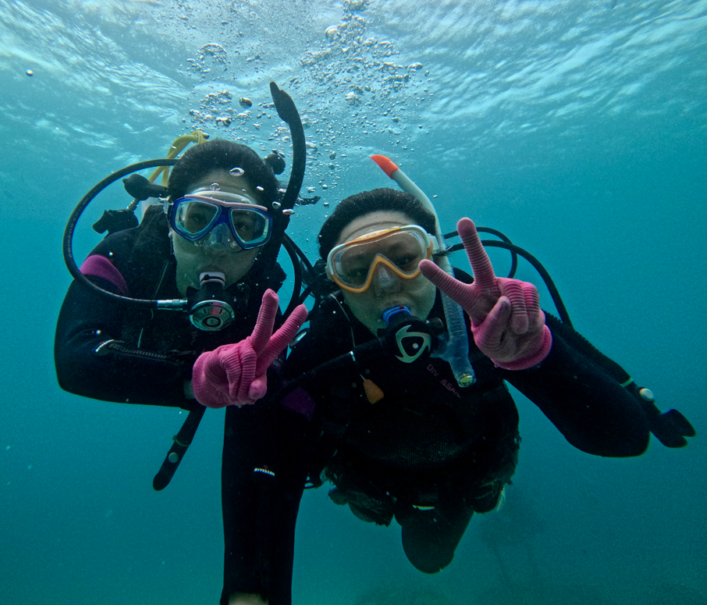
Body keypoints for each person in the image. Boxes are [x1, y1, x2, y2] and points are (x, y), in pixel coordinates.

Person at [192, 185, 692, 605]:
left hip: (469, 474)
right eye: (356, 268)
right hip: (374, 485)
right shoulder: (322, 352)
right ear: (335, 285)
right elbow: (269, 471)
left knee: (432, 557)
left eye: (405, 258)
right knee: (424, 556)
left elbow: (624, 439)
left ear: (435, 258)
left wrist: (534, 354)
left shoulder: (491, 323)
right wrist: (251, 590)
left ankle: (491, 500)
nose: (385, 284)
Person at [54, 137, 307, 425]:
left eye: (244, 225)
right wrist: (191, 378)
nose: (217, 244)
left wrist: (251, 378)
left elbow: (267, 375)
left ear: (263, 240)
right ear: (171, 220)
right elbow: (74, 359)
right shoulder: (123, 254)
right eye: (198, 218)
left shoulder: (262, 286)